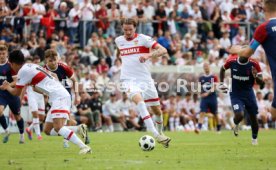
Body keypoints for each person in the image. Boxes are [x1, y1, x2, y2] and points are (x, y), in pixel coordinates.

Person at [0, 50, 91, 154]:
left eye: (11, 65)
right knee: (47, 130)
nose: (11, 67)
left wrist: (7, 87)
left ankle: (84, 147)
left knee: (58, 127)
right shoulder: (30, 66)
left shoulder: (22, 71)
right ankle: (78, 129)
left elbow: (16, 92)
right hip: (57, 96)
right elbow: (20, 81)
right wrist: (8, 85)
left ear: (13, 63)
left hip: (59, 96)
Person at [114, 18, 171, 147]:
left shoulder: (144, 39)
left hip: (145, 79)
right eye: (125, 29)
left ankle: (161, 132)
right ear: (122, 28)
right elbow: (119, 52)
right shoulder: (118, 40)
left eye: (130, 29)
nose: (128, 32)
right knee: (139, 101)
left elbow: (163, 50)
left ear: (135, 28)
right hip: (128, 79)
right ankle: (155, 134)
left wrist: (148, 55)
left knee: (157, 111)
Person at [229, 0, 276, 124]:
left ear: (263, 9)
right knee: (273, 114)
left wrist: (236, 49)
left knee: (273, 114)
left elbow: (247, 53)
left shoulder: (263, 28)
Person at [220, 54, 265, 145]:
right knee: (239, 115)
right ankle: (236, 123)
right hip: (236, 94)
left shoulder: (254, 63)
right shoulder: (232, 61)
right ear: (240, 53)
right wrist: (221, 83)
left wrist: (256, 76)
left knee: (253, 118)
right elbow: (222, 69)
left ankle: (254, 139)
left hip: (249, 94)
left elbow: (262, 84)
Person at [0, 45, 25, 144]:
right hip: (1, 94)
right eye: (0, 54)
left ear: (6, 54)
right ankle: (7, 131)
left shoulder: (11, 66)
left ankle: (22, 135)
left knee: (17, 116)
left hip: (12, 93)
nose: (1, 56)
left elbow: (16, 81)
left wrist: (7, 85)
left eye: (3, 54)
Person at [195, 63, 221, 134]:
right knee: (202, 112)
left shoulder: (214, 77)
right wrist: (199, 93)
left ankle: (218, 127)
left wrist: (208, 93)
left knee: (215, 113)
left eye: (207, 66)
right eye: (204, 66)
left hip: (212, 97)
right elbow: (199, 87)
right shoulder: (201, 78)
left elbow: (214, 87)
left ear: (209, 67)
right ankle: (199, 128)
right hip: (204, 98)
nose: (206, 68)